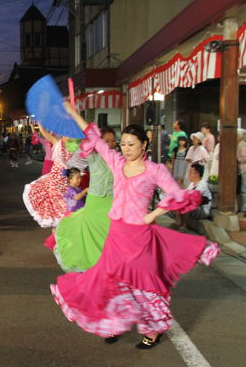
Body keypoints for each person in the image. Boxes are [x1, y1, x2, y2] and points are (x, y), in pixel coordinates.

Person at [51, 103, 219, 349]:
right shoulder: (117, 163)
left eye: (132, 144)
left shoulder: (155, 170)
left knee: (145, 283)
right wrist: (73, 113)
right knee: (108, 280)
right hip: (116, 234)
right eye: (123, 144)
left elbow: (177, 195)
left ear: (144, 145)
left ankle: (153, 330)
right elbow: (93, 136)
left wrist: (153, 215)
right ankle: (110, 324)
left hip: (140, 237)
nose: (126, 149)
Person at [52, 127, 116, 273]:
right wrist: (70, 137)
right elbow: (74, 151)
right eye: (106, 141)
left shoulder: (118, 157)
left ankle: (107, 267)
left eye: (113, 141)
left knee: (108, 237)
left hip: (112, 202)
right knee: (91, 237)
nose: (111, 144)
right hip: (95, 201)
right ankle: (93, 267)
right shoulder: (92, 155)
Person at [22, 126, 72, 228]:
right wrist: (36, 125)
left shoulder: (72, 148)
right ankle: (56, 228)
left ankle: (60, 228)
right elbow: (41, 134)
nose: (68, 137)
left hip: (64, 176)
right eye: (66, 135)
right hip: (52, 168)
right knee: (52, 197)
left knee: (64, 204)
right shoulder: (56, 143)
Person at [175, 163, 211, 229]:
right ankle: (179, 224)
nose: (189, 174)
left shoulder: (202, 185)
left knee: (186, 205)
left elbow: (193, 198)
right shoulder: (192, 184)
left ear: (197, 174)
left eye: (191, 172)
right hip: (196, 207)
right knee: (178, 203)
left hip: (202, 210)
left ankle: (183, 225)